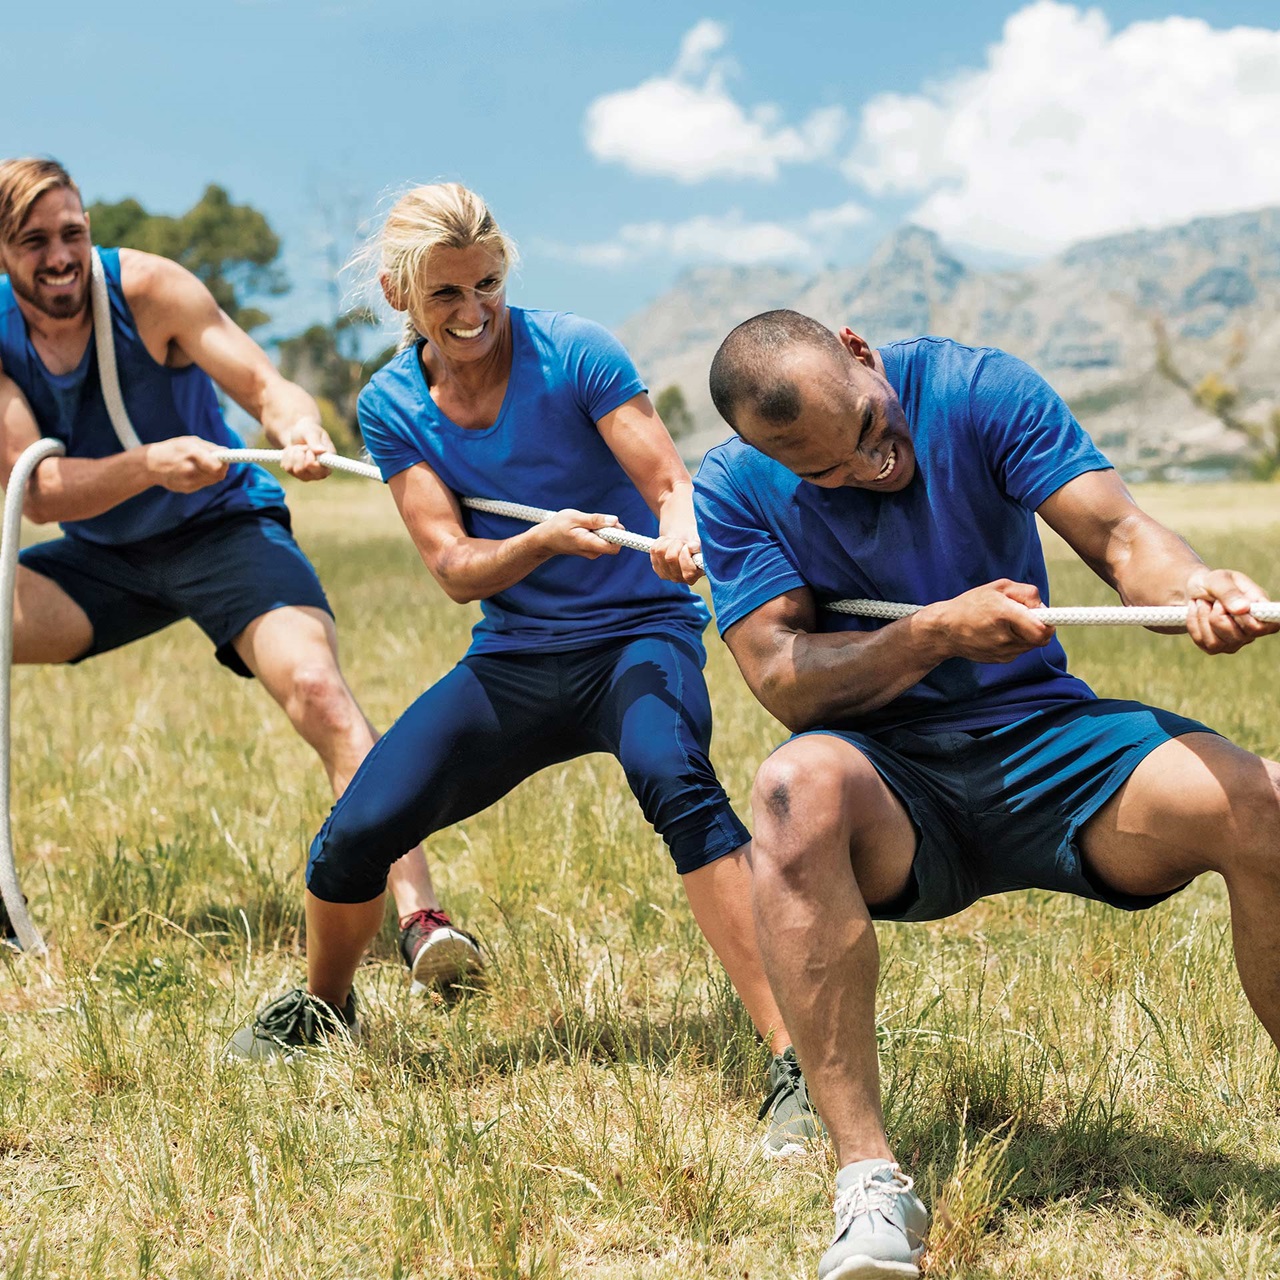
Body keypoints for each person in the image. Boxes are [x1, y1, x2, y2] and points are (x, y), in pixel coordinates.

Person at [228, 182, 818, 1155]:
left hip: (638, 635)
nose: (472, 314)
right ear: (397, 294)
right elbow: (455, 568)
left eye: (488, 285)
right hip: (515, 655)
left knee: (676, 780)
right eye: (445, 295)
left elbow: (667, 484)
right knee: (355, 832)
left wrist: (676, 532)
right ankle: (324, 1009)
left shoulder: (576, 351)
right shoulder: (391, 405)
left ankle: (794, 1055)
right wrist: (541, 540)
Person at [694, 309, 1280, 1278]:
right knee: (790, 788)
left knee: (1259, 800)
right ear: (760, 452)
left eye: (872, 427)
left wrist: (1194, 589)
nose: (869, 465)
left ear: (855, 348)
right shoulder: (731, 487)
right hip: (892, 785)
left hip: (1051, 748)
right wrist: (930, 634)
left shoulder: (976, 389)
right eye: (828, 470)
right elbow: (781, 678)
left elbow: (1123, 535)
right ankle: (869, 1184)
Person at [0, 157, 449, 981]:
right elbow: (45, 492)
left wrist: (299, 425)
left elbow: (264, 384)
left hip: (222, 531)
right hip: (102, 557)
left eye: (73, 233)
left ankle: (424, 918)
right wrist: (149, 465)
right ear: (3, 251)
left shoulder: (152, 290)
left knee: (319, 691)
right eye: (33, 242)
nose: (59, 256)